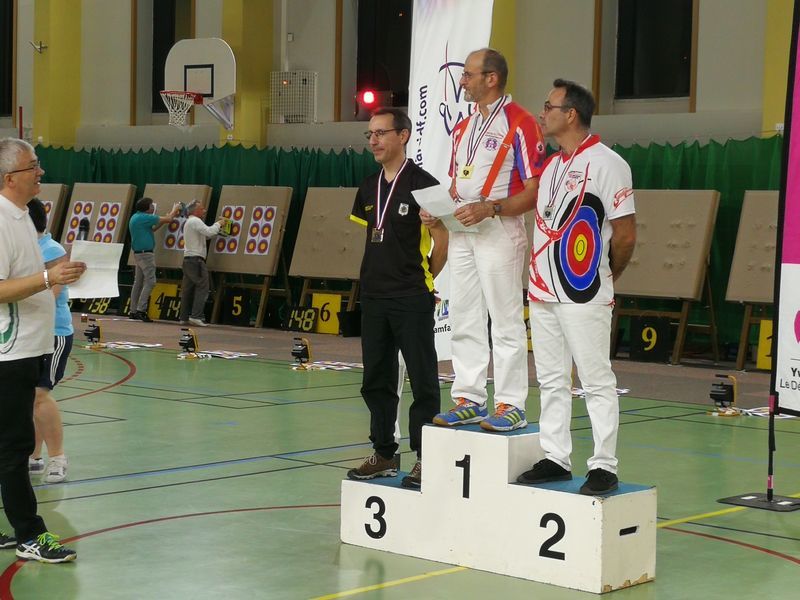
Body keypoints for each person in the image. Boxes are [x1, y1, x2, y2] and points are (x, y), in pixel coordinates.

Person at [517, 79, 636, 495]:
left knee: (596, 379)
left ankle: (604, 465)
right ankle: (555, 456)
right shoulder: (551, 165)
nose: (541, 113)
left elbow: (625, 235)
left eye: (548, 106)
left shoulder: (609, 163)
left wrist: (604, 276)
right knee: (551, 378)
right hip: (542, 290)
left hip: (584, 291)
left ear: (570, 114)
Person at [431, 48, 545, 432]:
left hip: (499, 228)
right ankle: (470, 397)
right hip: (463, 229)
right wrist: (439, 210)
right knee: (464, 314)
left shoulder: (521, 123)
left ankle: (511, 404)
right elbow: (456, 183)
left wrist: (491, 208)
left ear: (491, 78)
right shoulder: (463, 127)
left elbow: (535, 190)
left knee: (506, 319)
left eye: (468, 74)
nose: (462, 80)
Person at [346, 107, 445, 489]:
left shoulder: (425, 185)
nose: (373, 140)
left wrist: (423, 278)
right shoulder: (368, 185)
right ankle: (384, 453)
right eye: (369, 134)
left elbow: (443, 240)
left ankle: (426, 458)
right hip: (374, 296)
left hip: (411, 297)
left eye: (381, 133)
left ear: (402, 135)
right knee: (376, 380)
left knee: (422, 380)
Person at [0, 137, 86, 563]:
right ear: (9, 177)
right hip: (9, 352)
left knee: (9, 446)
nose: (41, 172)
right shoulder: (0, 220)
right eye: (33, 166)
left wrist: (57, 275)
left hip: (27, 347)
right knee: (15, 447)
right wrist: (49, 278)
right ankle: (30, 535)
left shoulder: (21, 218)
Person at [26, 199, 71, 484]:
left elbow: (49, 296)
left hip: (53, 333)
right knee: (28, 398)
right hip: (26, 333)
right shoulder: (20, 248)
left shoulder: (52, 250)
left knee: (39, 395)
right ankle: (33, 456)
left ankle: (58, 458)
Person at [128, 197, 179, 322]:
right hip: (146, 254)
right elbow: (169, 219)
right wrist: (175, 209)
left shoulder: (136, 217)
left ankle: (133, 311)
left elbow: (152, 229)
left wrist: (165, 219)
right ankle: (141, 310)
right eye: (151, 205)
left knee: (138, 282)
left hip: (139, 254)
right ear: (147, 208)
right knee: (151, 281)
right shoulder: (145, 217)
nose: (153, 207)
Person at [179, 202, 227, 327]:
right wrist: (219, 223)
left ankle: (184, 317)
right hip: (196, 260)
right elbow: (209, 232)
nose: (204, 211)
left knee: (187, 289)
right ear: (195, 211)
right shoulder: (195, 220)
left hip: (188, 260)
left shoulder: (189, 222)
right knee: (203, 287)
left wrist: (217, 231)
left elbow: (204, 236)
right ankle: (196, 316)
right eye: (202, 208)